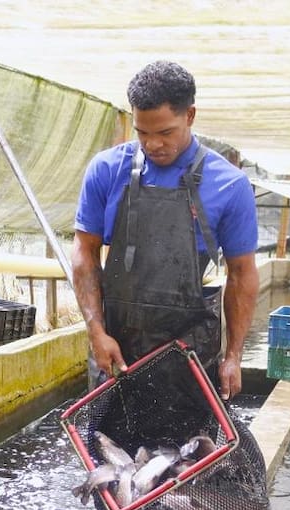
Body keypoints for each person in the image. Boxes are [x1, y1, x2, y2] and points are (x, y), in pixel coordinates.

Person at [71, 60, 259, 400]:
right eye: (142, 132)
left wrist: (233, 355)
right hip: (117, 347)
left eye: (165, 132)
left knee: (188, 451)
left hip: (189, 353)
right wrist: (96, 331)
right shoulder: (105, 170)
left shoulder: (230, 185)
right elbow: (84, 253)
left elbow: (242, 273)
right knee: (108, 446)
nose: (153, 144)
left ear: (189, 116)